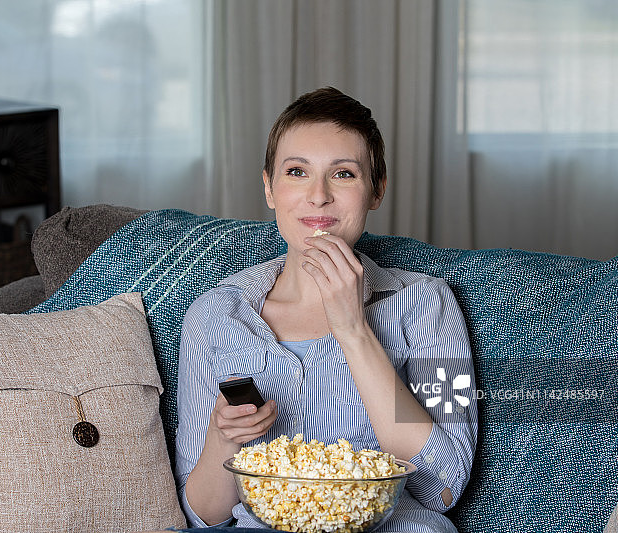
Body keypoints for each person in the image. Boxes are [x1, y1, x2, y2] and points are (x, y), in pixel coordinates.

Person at [175, 87, 477, 532]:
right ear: (269, 188)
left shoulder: (429, 305)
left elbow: (444, 486)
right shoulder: (215, 316)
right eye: (297, 172)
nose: (318, 196)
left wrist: (354, 330)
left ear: (376, 190)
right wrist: (223, 438)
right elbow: (203, 515)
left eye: (344, 174)